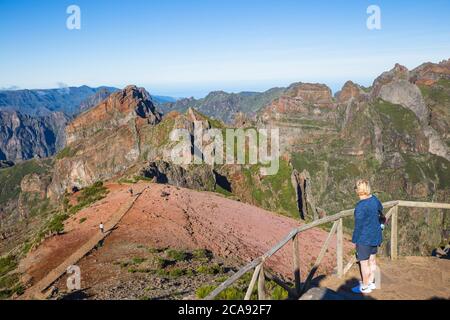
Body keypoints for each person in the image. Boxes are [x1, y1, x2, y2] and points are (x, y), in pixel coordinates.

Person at [351, 179, 383, 294]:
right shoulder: (374, 199)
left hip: (364, 238)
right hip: (375, 235)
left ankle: (365, 286)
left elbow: (358, 225)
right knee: (373, 260)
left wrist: (354, 239)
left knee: (363, 263)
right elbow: (381, 209)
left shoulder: (360, 206)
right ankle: (371, 281)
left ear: (358, 191)